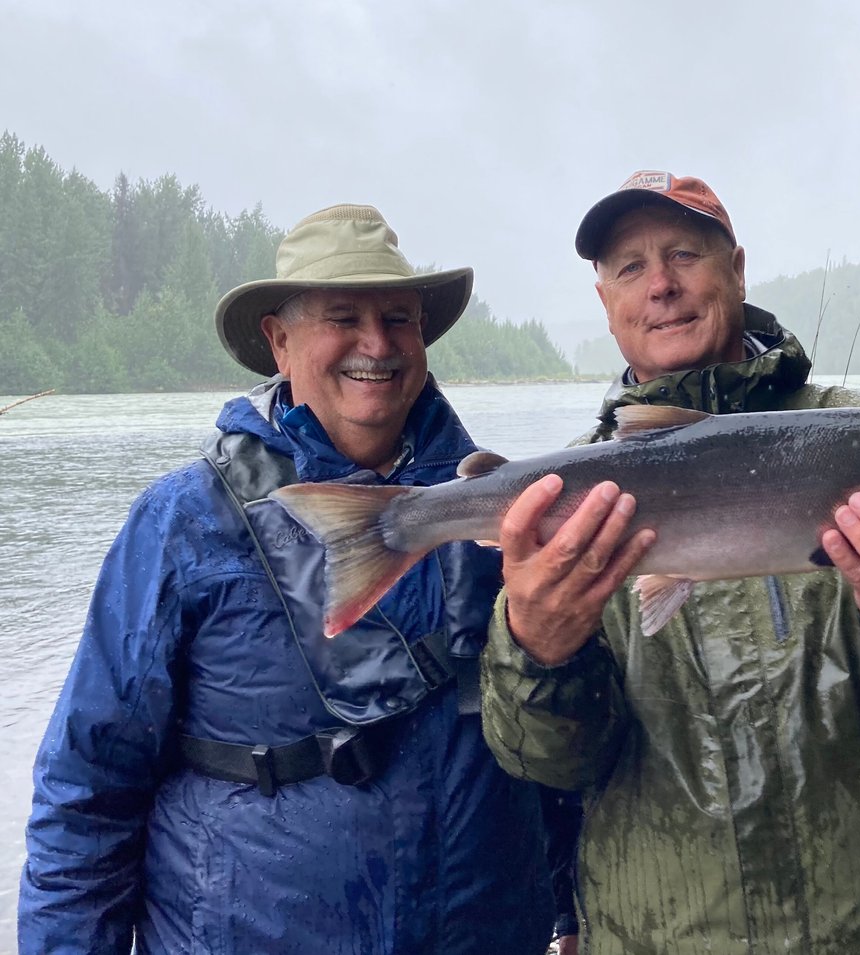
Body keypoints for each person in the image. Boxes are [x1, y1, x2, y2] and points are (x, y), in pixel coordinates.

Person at [480, 171, 860, 955]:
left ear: (737, 270)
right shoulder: (564, 500)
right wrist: (538, 648)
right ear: (605, 301)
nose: (662, 286)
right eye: (630, 268)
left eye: (684, 253)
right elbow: (544, 758)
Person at [19, 203, 575, 954]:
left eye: (400, 319)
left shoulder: (509, 509)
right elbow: (87, 793)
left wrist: (570, 911)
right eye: (343, 316)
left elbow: (553, 745)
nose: (377, 344)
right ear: (279, 341)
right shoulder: (180, 522)